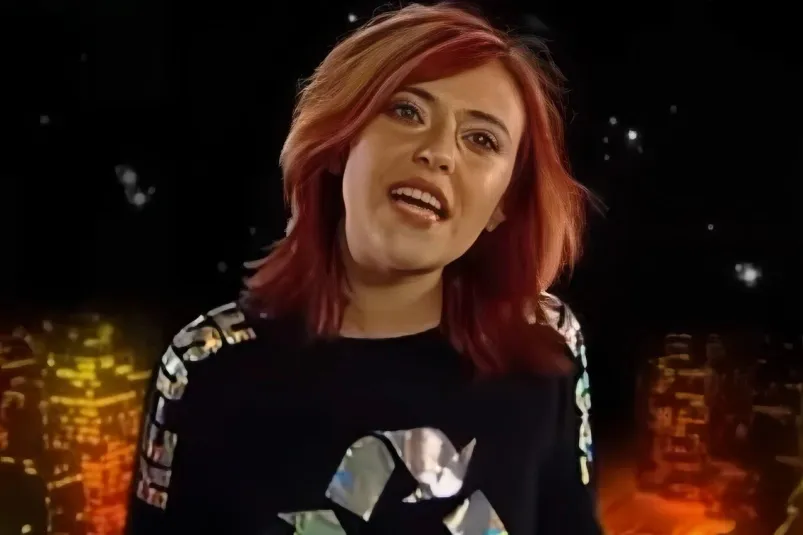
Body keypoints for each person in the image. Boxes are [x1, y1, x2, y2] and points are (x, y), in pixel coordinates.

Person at [125, 3, 602, 534]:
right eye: (407, 111)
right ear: (339, 142)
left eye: (481, 140)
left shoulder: (545, 345)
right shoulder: (206, 369)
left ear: (504, 204)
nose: (438, 153)